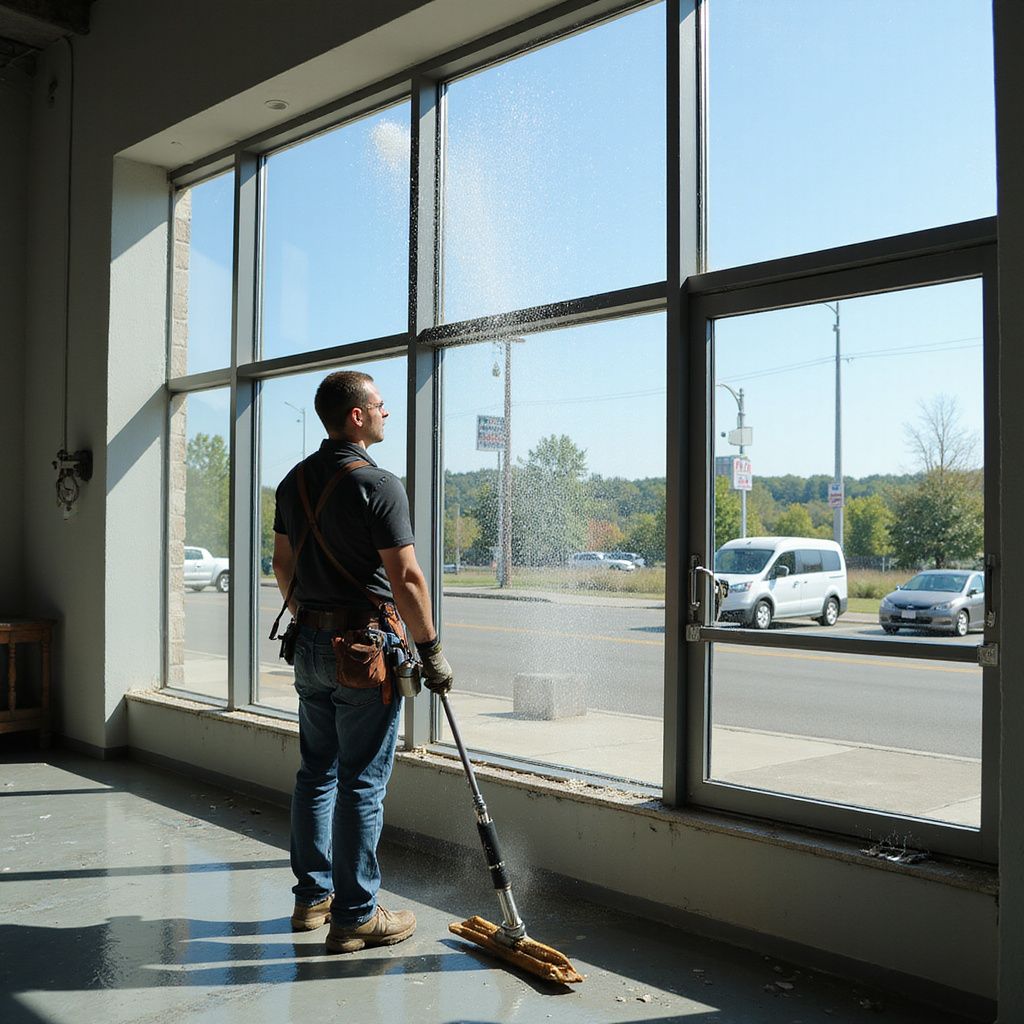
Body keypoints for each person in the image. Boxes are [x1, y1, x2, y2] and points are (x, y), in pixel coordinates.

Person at [272, 370, 453, 954]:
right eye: (380, 404)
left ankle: (311, 899)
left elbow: (281, 566)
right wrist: (431, 652)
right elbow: (406, 577)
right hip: (366, 653)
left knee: (315, 772)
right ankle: (356, 916)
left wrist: (313, 614)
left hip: (309, 647)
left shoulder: (291, 482)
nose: (386, 413)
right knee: (362, 783)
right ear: (356, 416)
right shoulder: (379, 485)